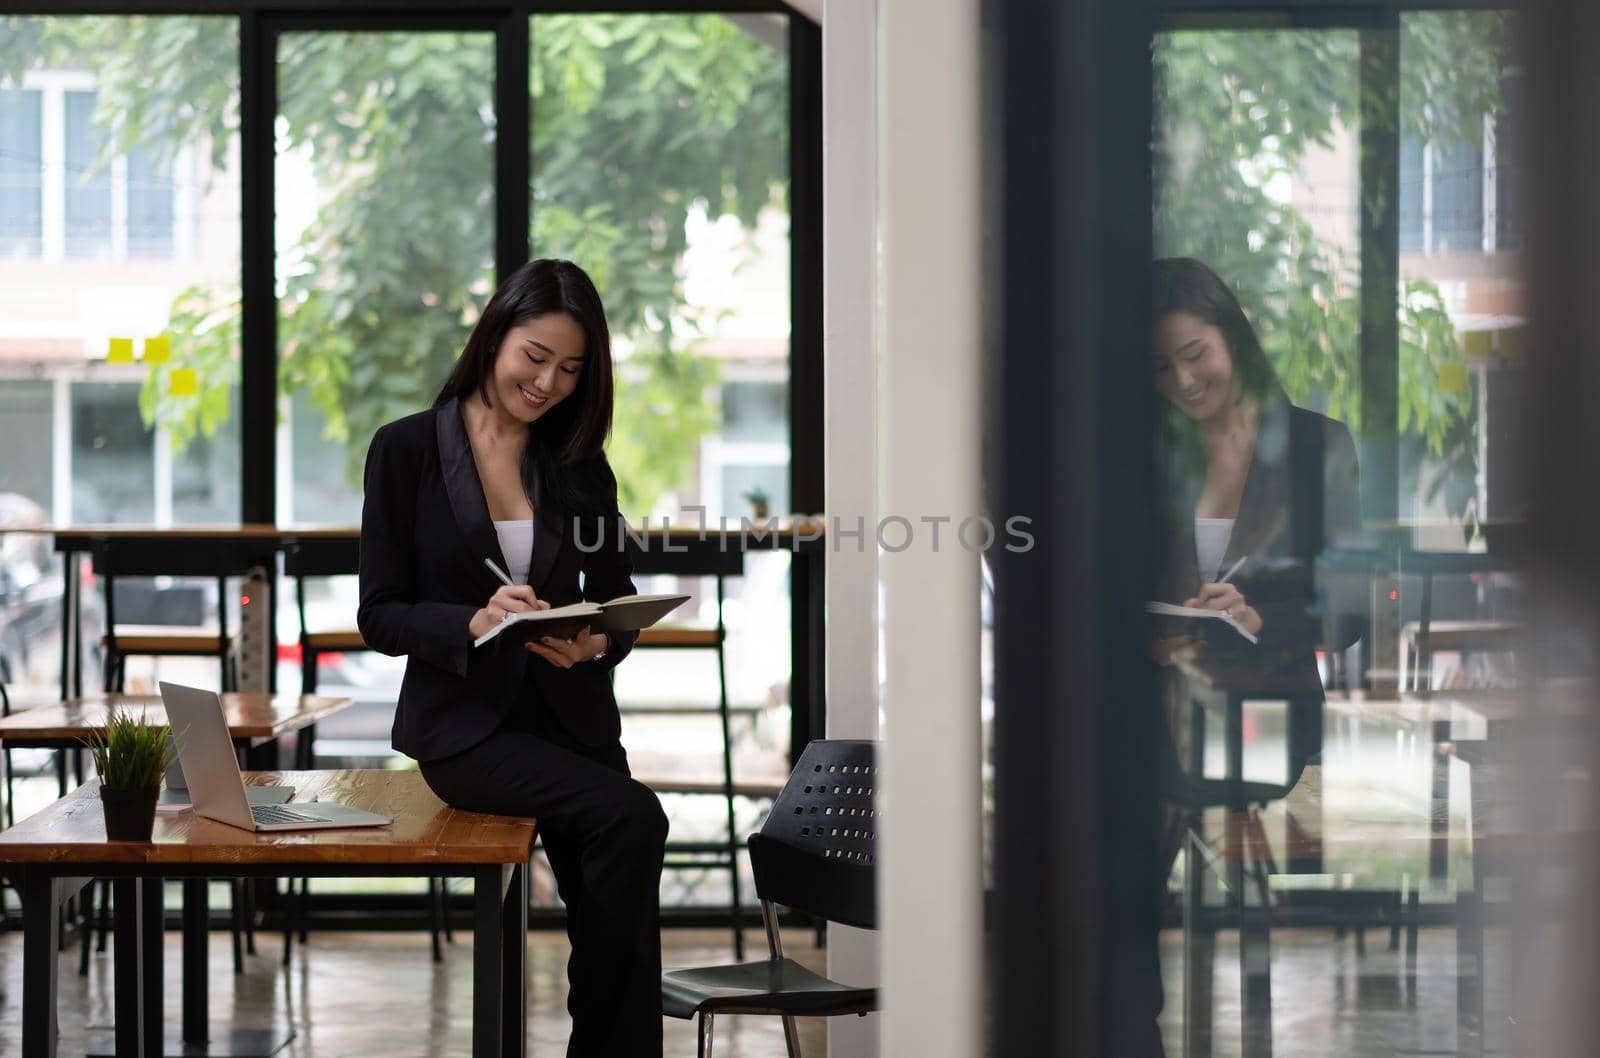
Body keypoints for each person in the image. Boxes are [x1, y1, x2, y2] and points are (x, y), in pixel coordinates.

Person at [357, 258, 667, 1057]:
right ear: (495, 335)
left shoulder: (577, 464)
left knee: (617, 902)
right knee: (635, 814)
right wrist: (472, 619)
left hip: (572, 718)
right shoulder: (405, 451)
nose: (549, 383)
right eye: (535, 357)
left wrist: (601, 639)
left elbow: (618, 595)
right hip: (468, 731)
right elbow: (380, 613)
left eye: (570, 369)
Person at [1148, 256, 1363, 797]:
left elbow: (1353, 611)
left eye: (1195, 354)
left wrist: (1259, 617)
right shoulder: (1151, 462)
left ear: (1235, 335)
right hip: (1161, 741)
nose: (1185, 381)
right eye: (1160, 368)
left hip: (1276, 739)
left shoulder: (1316, 449)